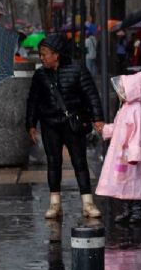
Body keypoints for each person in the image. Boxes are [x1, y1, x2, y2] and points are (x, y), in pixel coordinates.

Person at [26, 33, 105, 219]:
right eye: (41, 54)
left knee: (80, 162)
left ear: (56, 55)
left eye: (44, 54)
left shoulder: (78, 70)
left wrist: (98, 118)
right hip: (49, 124)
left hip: (72, 123)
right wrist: (30, 124)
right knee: (53, 163)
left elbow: (91, 95)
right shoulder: (40, 75)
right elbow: (33, 100)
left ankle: (88, 203)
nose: (42, 57)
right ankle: (55, 204)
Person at [96, 72, 141, 223]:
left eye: (122, 90)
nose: (120, 94)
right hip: (123, 156)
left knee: (135, 180)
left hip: (131, 156)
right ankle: (126, 209)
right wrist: (105, 130)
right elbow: (119, 127)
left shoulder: (136, 110)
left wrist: (134, 154)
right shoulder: (126, 107)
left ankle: (137, 210)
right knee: (122, 179)